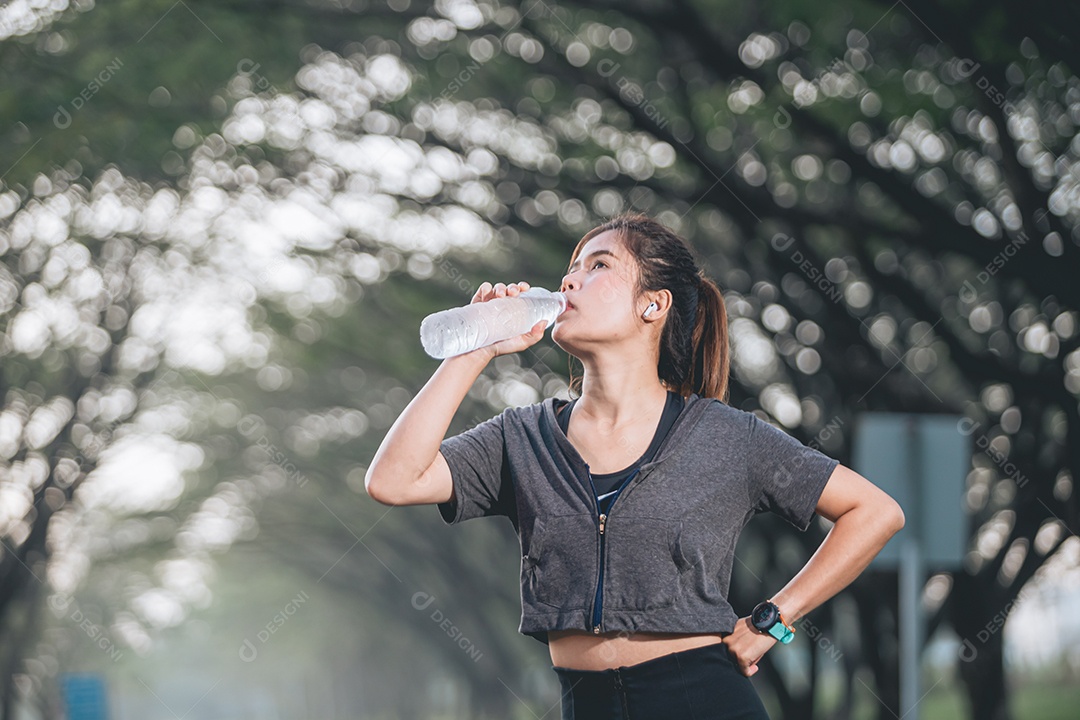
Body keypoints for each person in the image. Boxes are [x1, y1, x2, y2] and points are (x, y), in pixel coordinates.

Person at [365, 212, 905, 719]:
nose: (570, 282)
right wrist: (473, 350)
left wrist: (775, 620)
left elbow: (874, 512)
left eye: (598, 266)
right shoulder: (520, 438)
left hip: (704, 698)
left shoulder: (725, 436)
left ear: (654, 305)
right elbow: (393, 480)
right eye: (570, 269)